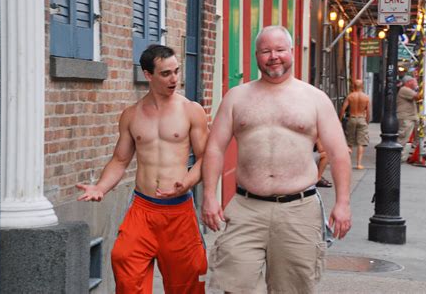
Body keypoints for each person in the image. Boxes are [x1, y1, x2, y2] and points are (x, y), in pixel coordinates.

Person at [201, 26, 352, 293]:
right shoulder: (237, 97)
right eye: (266, 51)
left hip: (298, 210)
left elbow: (339, 153)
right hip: (247, 207)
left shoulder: (315, 99)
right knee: (234, 284)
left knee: (292, 288)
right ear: (256, 55)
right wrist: (210, 197)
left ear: (291, 52)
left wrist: (343, 204)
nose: (274, 56)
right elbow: (214, 148)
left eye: (280, 50)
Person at [76, 45, 209, 293]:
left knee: (187, 279)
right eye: (166, 73)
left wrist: (188, 181)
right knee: (125, 263)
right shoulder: (131, 115)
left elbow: (206, 159)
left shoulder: (191, 110)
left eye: (177, 71)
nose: (174, 79)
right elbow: (120, 160)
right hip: (143, 209)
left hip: (179, 211)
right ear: (148, 75)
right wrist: (100, 187)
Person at [339, 79, 370, 169]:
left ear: (353, 86)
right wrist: (366, 122)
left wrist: (339, 120)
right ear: (362, 86)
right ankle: (359, 163)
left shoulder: (350, 96)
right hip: (361, 119)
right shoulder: (366, 97)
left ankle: (347, 163)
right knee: (361, 142)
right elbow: (368, 112)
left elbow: (343, 109)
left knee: (350, 142)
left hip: (352, 118)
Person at [396, 75, 421, 161]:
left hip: (412, 116)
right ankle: (397, 156)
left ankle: (412, 148)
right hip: (406, 117)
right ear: (409, 82)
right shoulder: (404, 89)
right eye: (414, 82)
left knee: (423, 127)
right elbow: (418, 97)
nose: (415, 83)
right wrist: (422, 88)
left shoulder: (410, 90)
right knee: (403, 137)